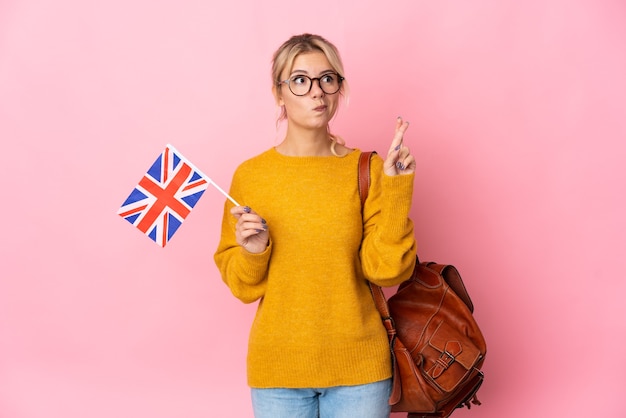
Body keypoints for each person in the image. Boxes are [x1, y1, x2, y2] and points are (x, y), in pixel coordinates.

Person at [214, 33, 417, 418]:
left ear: (339, 86)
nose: (317, 92)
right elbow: (242, 287)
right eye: (300, 80)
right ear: (279, 93)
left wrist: (396, 191)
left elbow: (387, 271)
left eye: (328, 78)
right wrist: (255, 252)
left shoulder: (368, 169)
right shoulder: (251, 176)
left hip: (360, 369)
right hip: (278, 370)